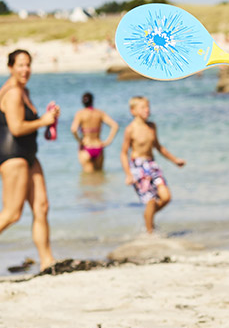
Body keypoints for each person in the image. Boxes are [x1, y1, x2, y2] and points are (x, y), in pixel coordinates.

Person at [0, 49, 60, 271]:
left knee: (42, 207)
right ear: (10, 67)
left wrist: (49, 120)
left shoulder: (24, 91)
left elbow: (30, 124)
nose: (25, 70)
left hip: (29, 155)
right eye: (20, 65)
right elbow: (16, 127)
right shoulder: (13, 92)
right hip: (13, 156)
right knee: (12, 214)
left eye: (28, 65)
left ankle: (47, 262)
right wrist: (44, 121)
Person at [120, 95, 185, 234]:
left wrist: (175, 160)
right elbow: (123, 153)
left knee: (166, 197)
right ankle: (150, 233)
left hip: (152, 164)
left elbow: (159, 147)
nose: (147, 110)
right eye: (143, 107)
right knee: (150, 200)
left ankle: (148, 217)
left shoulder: (152, 126)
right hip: (138, 166)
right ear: (133, 111)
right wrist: (128, 174)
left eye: (148, 107)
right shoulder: (130, 129)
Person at [70, 92, 119, 172]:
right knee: (99, 176)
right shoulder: (99, 113)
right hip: (98, 146)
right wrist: (108, 141)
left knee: (88, 178)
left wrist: (79, 141)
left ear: (82, 102)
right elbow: (115, 125)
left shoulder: (80, 114)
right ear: (92, 101)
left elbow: (73, 129)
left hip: (86, 147)